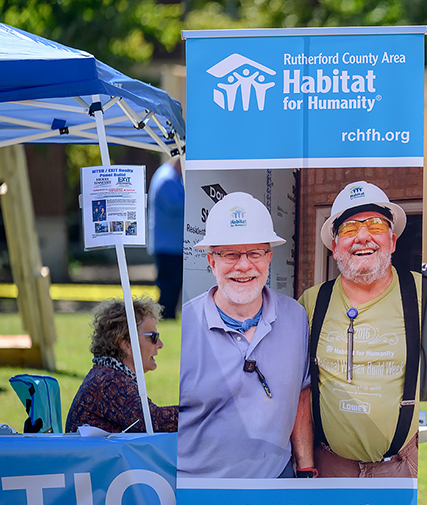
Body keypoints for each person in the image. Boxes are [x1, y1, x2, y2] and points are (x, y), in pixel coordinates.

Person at [299, 181, 427, 505]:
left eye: (375, 224)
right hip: (329, 466)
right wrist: (304, 462)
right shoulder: (311, 303)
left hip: (399, 463)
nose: (364, 235)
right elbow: (299, 387)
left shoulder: (424, 296)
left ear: (393, 239)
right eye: (351, 227)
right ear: (336, 245)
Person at [178, 192, 313, 479]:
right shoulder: (185, 326)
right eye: (230, 254)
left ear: (269, 259)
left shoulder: (295, 318)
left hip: (274, 488)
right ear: (211, 262)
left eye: (254, 253)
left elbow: (301, 394)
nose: (243, 265)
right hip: (199, 491)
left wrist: (305, 468)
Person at [66, 297, 177, 433]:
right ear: (125, 343)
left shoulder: (108, 374)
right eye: (153, 337)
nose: (160, 345)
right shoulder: (109, 381)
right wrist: (203, 409)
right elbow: (154, 421)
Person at [148, 158, 184, 319]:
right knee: (168, 287)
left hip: (170, 244)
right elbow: (178, 205)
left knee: (172, 286)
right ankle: (164, 317)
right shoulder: (166, 179)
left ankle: (167, 315)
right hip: (169, 246)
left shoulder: (169, 177)